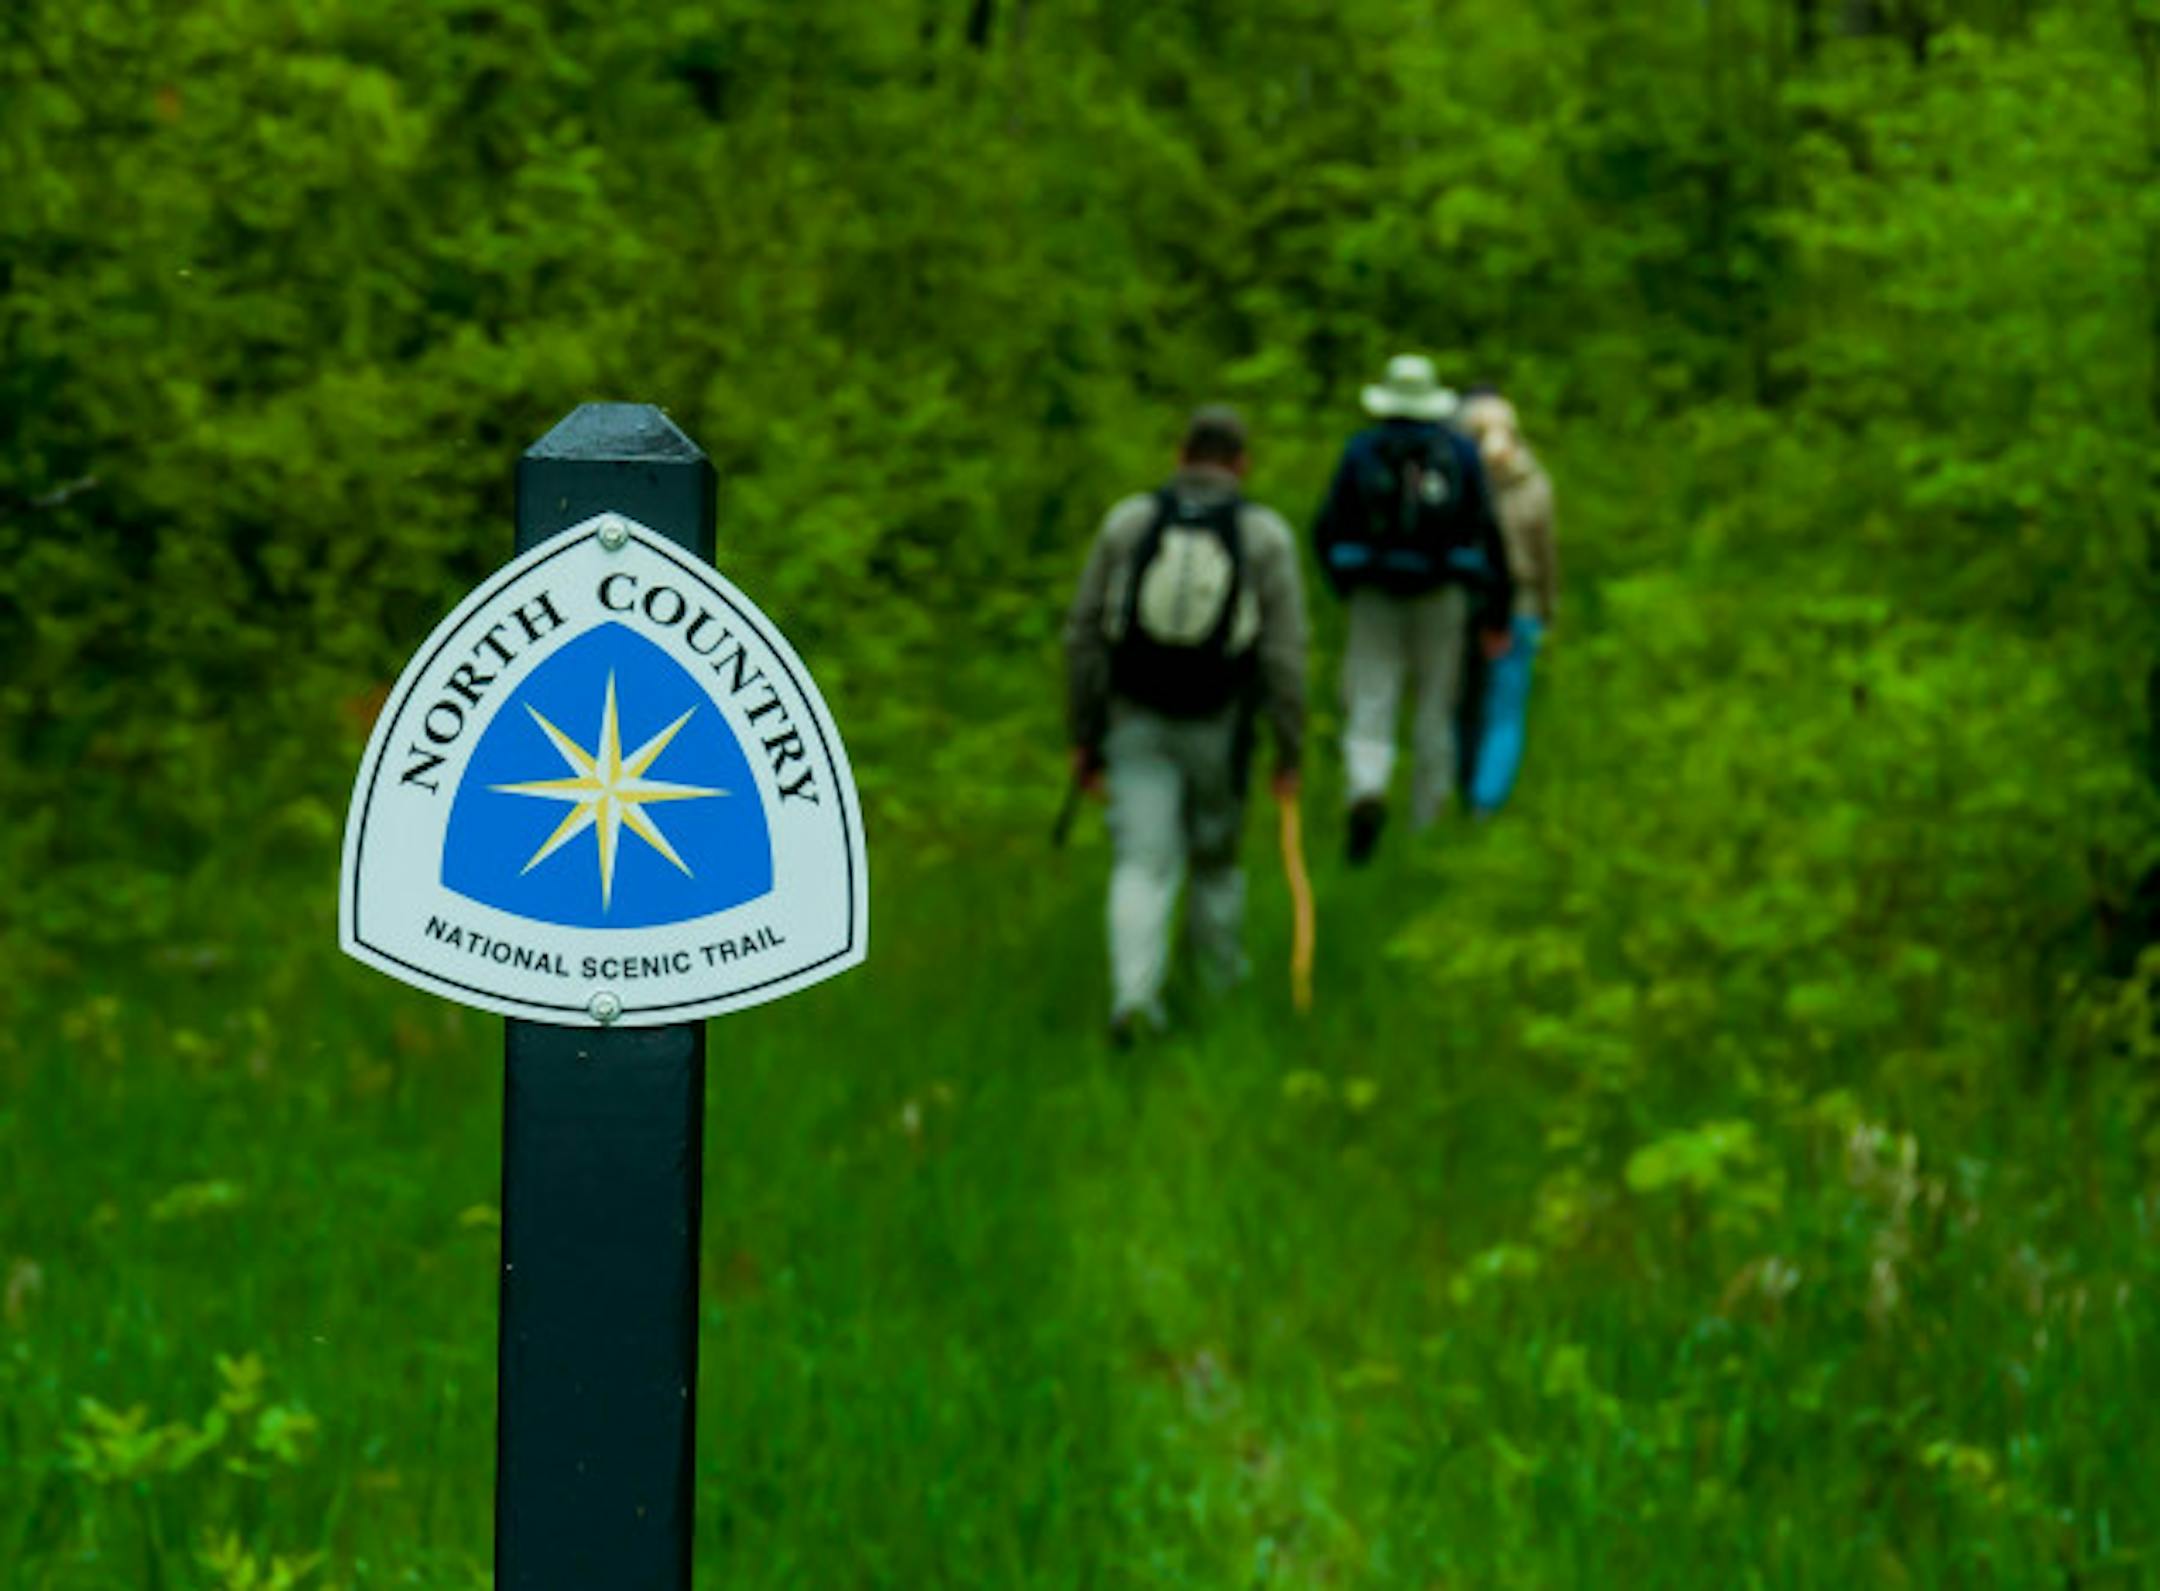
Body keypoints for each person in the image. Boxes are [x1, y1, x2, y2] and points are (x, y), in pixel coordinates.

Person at [1064, 405, 1308, 1044]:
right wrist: (1289, 748)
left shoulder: (1129, 522)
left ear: (1180, 455)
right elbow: (1285, 654)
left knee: (1142, 863)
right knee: (1216, 864)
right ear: (1242, 464)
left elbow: (1083, 635)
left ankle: (1134, 1001)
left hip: (1133, 718)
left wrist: (1084, 734)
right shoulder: (1264, 537)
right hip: (1220, 726)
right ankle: (1218, 994)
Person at [1312, 354, 1513, 863]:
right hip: (1442, 593)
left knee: (1370, 697)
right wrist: (1496, 608)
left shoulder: (1363, 450)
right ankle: (1430, 819)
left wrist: (1346, 583)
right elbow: (1487, 531)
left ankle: (1367, 787)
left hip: (1373, 591)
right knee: (1435, 706)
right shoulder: (1459, 453)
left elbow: (1328, 525)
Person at [1459, 392, 1558, 815]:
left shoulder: (1460, 481)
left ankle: (1461, 791)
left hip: (1467, 605)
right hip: (1524, 606)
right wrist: (1549, 610)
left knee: (1465, 704)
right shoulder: (1534, 484)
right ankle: (1485, 802)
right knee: (1505, 713)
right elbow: (1545, 557)